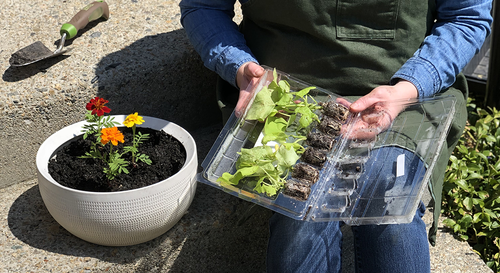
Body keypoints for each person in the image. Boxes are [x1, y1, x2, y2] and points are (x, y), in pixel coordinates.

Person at [180, 1, 493, 272]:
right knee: (299, 217)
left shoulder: (404, 93)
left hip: (402, 97)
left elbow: (467, 17)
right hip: (287, 100)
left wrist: (407, 89)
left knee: (390, 204)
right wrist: (240, 67)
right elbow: (203, 7)